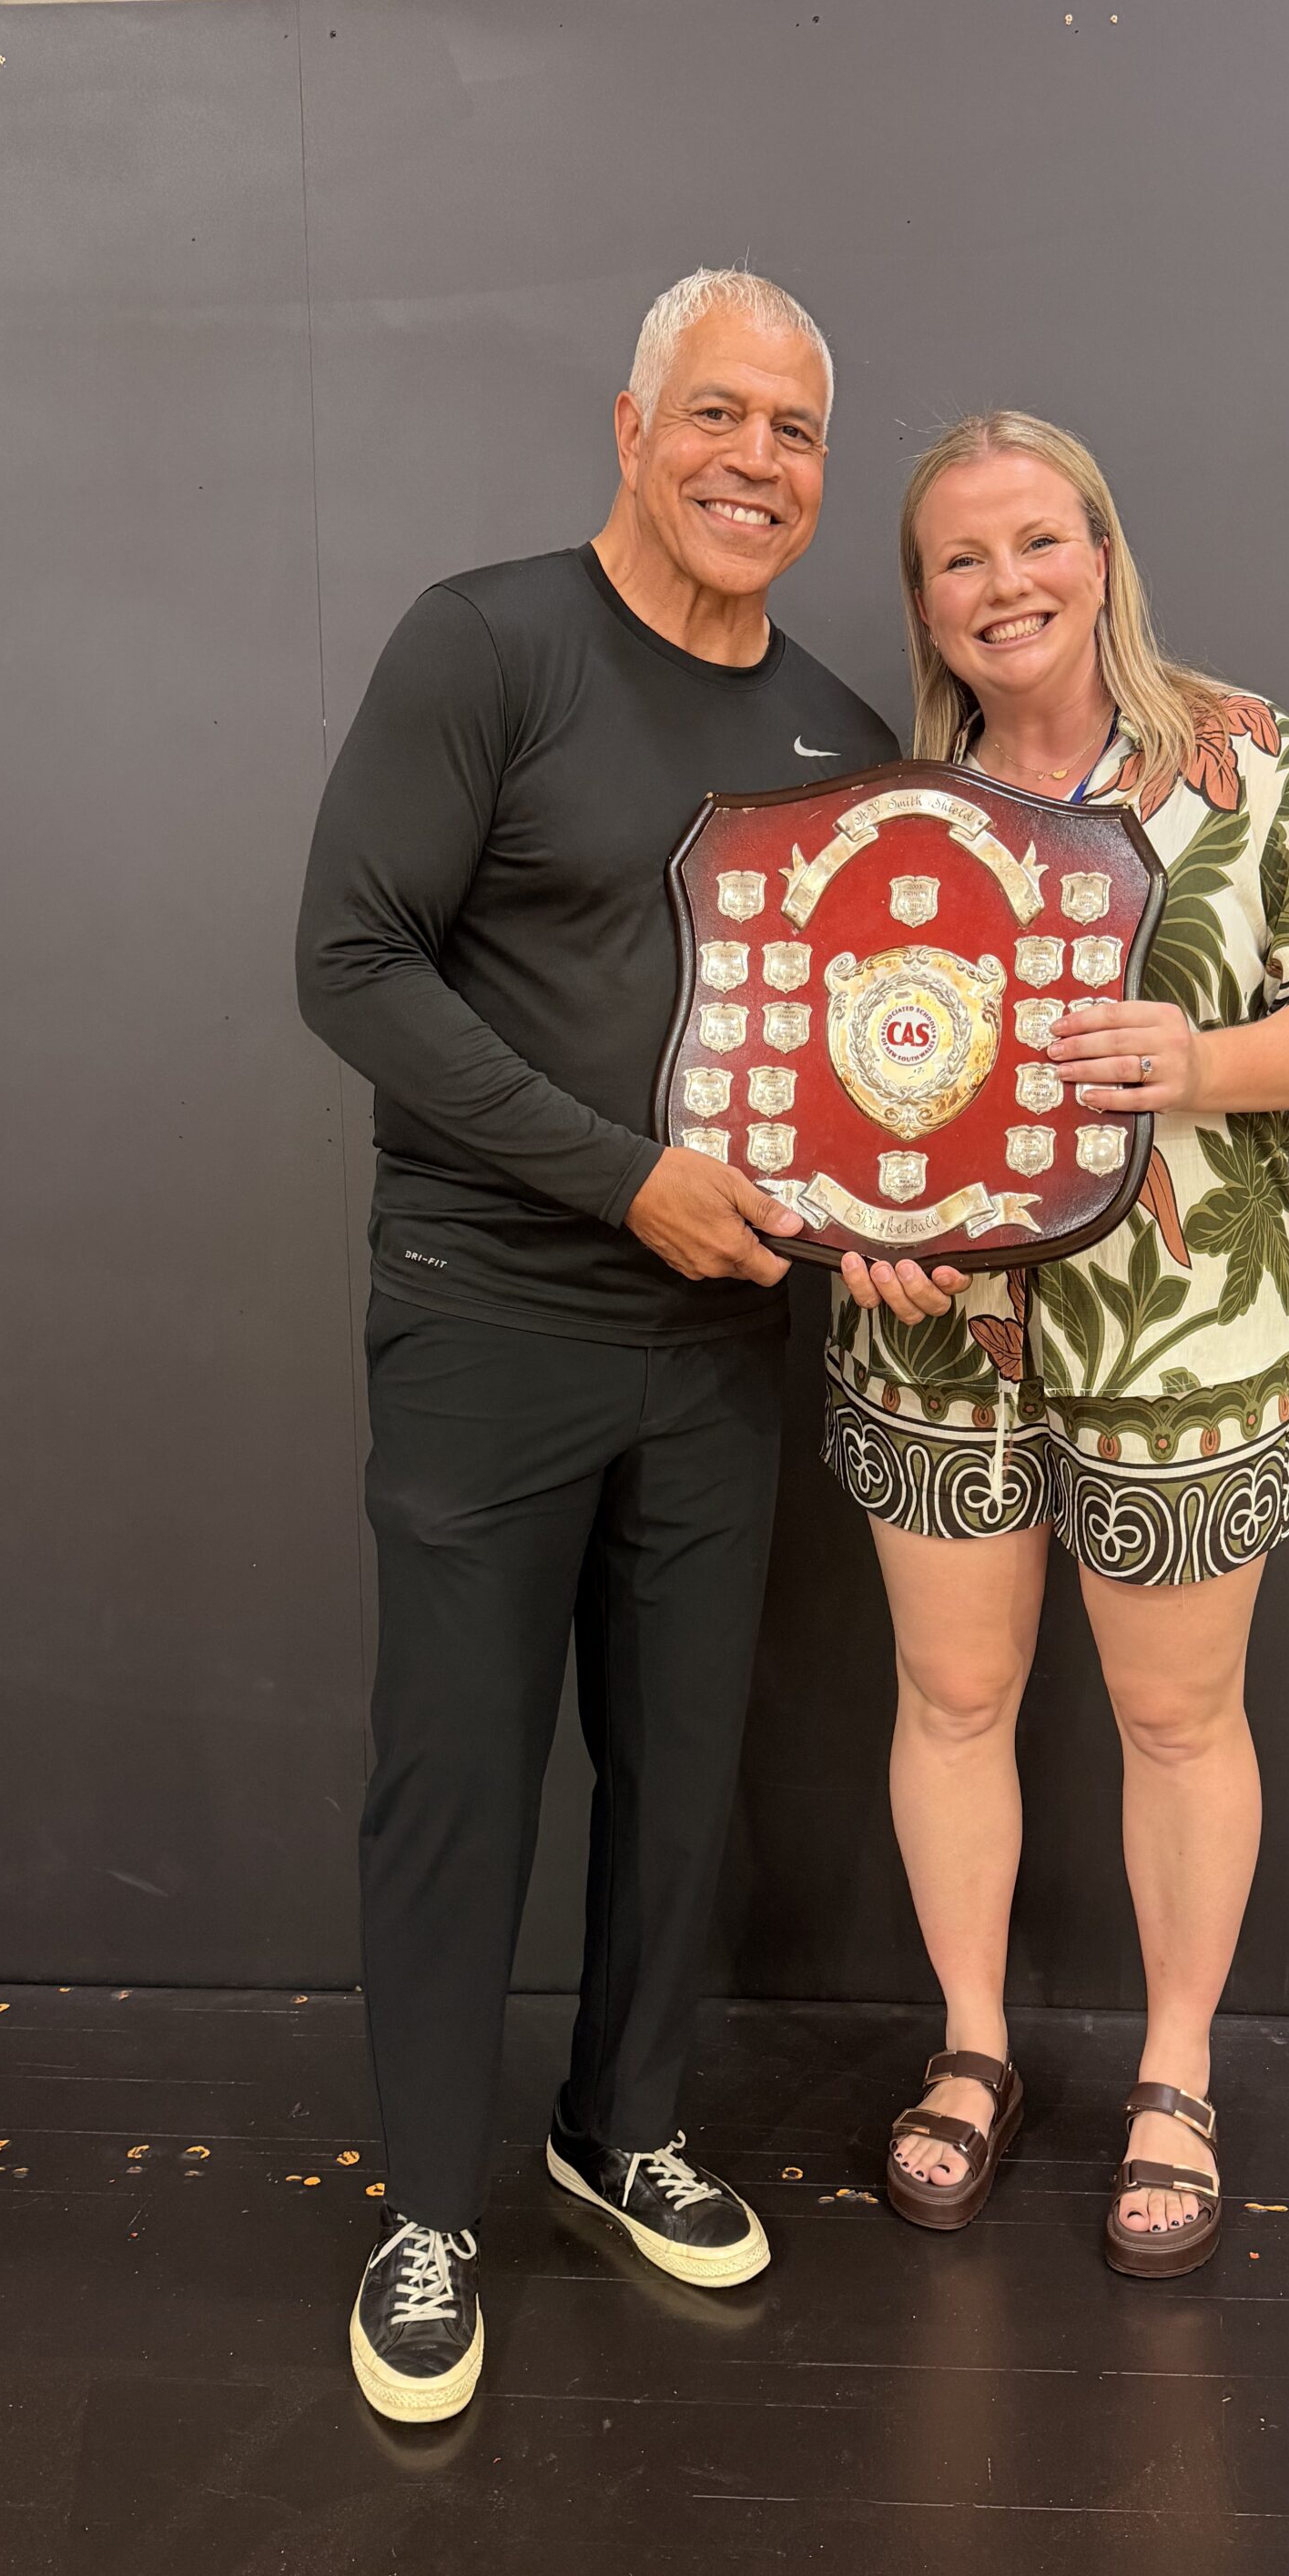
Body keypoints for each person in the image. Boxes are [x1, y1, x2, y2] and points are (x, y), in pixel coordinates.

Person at [295, 270, 895, 2421]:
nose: (757, 462)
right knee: (460, 1773)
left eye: (798, 433)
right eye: (718, 415)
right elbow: (352, 965)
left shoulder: (840, 730)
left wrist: (892, 1219)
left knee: (684, 1766)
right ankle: (434, 2212)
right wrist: (619, 1175)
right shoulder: (488, 645)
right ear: (630, 429)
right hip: (490, 1318)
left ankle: (619, 2128)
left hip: (725, 1347)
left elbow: (862, 1071)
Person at [823, 412, 1289, 2277]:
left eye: (1038, 541)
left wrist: (1205, 1060)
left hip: (1180, 1337)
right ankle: (974, 2047)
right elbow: (837, 1072)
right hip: (941, 1342)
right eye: (961, 559)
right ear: (924, 603)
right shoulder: (895, 808)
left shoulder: (1249, 763)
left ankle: (1175, 2070)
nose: (1005, 584)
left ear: (1101, 551)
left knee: (1178, 1717)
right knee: (950, 1700)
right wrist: (859, 1216)